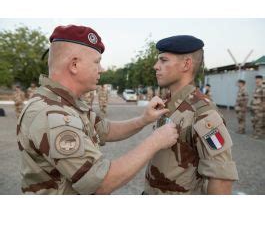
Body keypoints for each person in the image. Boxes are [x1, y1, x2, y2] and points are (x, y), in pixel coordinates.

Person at [16, 25, 178, 195]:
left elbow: (105, 130)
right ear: (74, 65)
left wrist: (143, 120)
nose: (102, 69)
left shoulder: (67, 103)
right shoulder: (51, 114)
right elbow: (101, 183)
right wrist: (155, 141)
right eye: (97, 62)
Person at [144, 35, 238, 195]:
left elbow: (221, 179)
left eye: (163, 60)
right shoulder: (168, 102)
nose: (156, 66)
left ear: (186, 64)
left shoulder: (203, 112)